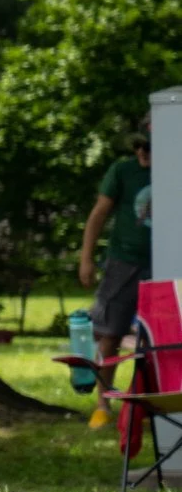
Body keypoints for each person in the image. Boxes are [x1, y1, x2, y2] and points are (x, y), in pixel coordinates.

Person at [78, 130, 152, 428]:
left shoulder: (175, 165)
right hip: (123, 262)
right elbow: (99, 213)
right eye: (138, 147)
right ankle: (103, 404)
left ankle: (151, 404)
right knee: (110, 334)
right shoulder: (122, 171)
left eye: (148, 148)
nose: (142, 154)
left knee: (162, 338)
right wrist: (86, 258)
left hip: (165, 261)